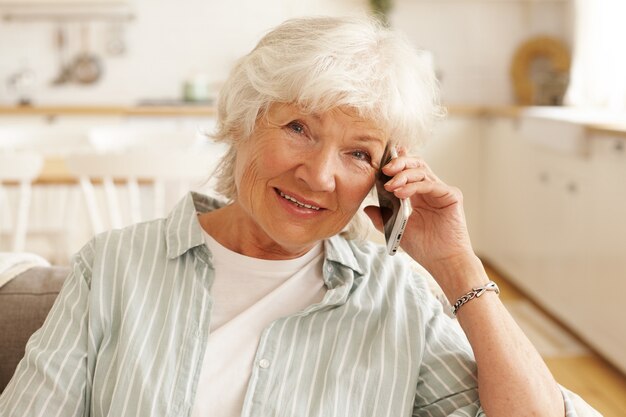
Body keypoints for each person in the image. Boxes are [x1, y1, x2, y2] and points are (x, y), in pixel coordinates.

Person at [0, 16, 599, 417]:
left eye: (359, 153)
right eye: (298, 129)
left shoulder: (396, 298)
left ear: (385, 176)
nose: (319, 175)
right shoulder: (112, 266)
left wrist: (458, 267)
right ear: (242, 121)